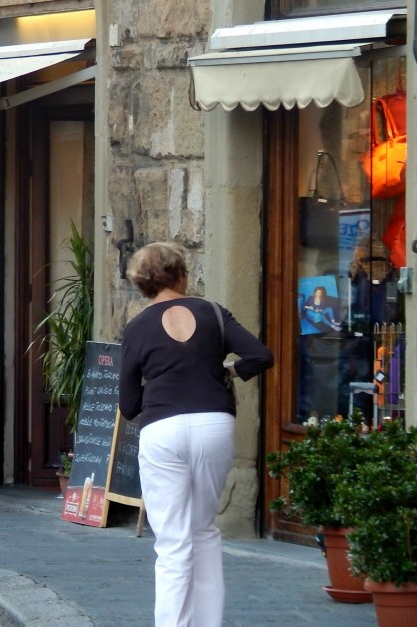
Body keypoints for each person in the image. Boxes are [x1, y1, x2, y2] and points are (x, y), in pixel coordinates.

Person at [120, 242, 273, 627]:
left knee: (172, 542)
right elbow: (260, 355)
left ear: (142, 284)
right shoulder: (213, 313)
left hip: (163, 429)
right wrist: (228, 372)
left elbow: (128, 404)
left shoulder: (137, 328)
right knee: (204, 531)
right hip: (213, 423)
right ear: (181, 273)